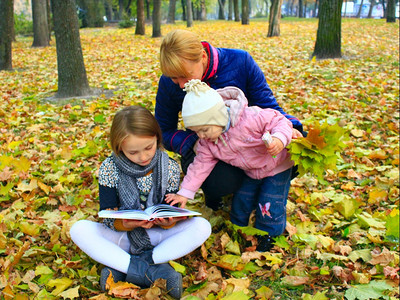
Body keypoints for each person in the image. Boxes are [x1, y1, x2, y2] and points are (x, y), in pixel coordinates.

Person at [70, 106, 211, 299]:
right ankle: (153, 270)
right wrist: (125, 224)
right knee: (79, 229)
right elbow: (107, 215)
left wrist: (170, 221)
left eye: (148, 147)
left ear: (157, 139)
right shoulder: (109, 168)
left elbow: (168, 208)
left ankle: (123, 268)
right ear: (119, 147)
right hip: (123, 236)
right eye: (133, 152)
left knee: (202, 226)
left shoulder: (168, 166)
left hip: (157, 235)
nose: (143, 157)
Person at [155, 29, 303, 210]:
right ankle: (217, 194)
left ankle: (263, 188)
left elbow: (267, 105)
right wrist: (195, 141)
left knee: (297, 144)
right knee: (220, 180)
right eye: (174, 78)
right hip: (205, 145)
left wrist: (291, 127)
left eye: (185, 76)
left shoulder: (241, 62)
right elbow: (163, 130)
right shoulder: (168, 84)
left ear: (202, 56)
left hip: (247, 139)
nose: (181, 85)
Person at [165, 80, 293, 252]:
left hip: (276, 166)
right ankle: (239, 230)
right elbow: (199, 167)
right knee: (241, 200)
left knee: (269, 202)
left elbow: (280, 121)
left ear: (218, 118)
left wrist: (279, 139)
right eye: (197, 132)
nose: (201, 136)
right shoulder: (208, 142)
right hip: (252, 171)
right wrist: (185, 193)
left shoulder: (250, 118)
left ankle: (269, 235)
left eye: (204, 129)